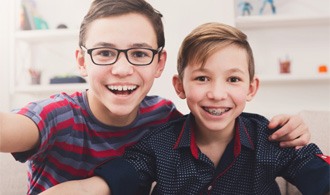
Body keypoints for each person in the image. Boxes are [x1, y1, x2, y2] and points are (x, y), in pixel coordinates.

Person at [0, 0, 311, 194]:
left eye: (138, 53)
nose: (122, 69)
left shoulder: (163, 118)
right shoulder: (57, 114)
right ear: (82, 61)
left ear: (159, 63)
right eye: (105, 52)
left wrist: (293, 130)